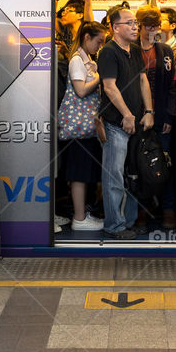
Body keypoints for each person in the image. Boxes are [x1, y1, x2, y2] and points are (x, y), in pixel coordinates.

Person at [97, 5, 155, 239]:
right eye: (129, 23)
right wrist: (127, 114)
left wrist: (149, 110)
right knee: (113, 177)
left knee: (131, 176)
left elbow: (143, 81)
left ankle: (127, 221)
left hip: (135, 125)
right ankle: (115, 226)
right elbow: (109, 87)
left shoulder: (133, 49)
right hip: (115, 125)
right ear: (114, 28)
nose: (135, 27)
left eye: (135, 23)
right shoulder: (108, 52)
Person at [136, 5, 176, 231]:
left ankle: (168, 210)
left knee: (165, 164)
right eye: (148, 25)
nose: (153, 29)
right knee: (138, 166)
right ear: (139, 25)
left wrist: (170, 117)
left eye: (156, 25)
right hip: (135, 117)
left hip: (161, 116)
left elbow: (172, 87)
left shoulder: (165, 51)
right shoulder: (130, 49)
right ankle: (140, 211)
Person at [64, 21, 107, 231]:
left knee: (84, 171)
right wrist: (99, 78)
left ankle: (83, 215)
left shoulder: (87, 59)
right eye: (98, 41)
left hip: (85, 127)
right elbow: (80, 91)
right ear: (87, 37)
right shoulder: (77, 61)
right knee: (79, 173)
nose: (99, 46)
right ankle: (79, 218)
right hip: (79, 127)